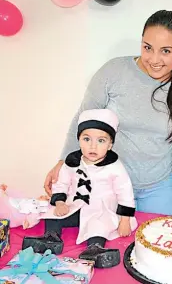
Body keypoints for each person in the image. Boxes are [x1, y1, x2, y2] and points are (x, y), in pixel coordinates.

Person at [43, 10, 172, 220]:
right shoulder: (114, 71)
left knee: (158, 246)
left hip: (161, 187)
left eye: (165, 51)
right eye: (148, 48)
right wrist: (64, 161)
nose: (154, 59)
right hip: (108, 181)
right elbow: (83, 119)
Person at [23, 109, 137, 268]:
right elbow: (61, 184)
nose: (93, 146)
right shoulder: (72, 162)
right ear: (79, 140)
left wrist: (125, 220)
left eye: (101, 141)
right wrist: (60, 202)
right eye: (86, 139)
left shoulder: (115, 167)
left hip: (100, 209)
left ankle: (94, 248)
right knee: (51, 213)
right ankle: (51, 238)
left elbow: (125, 193)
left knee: (97, 225)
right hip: (75, 206)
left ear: (110, 145)